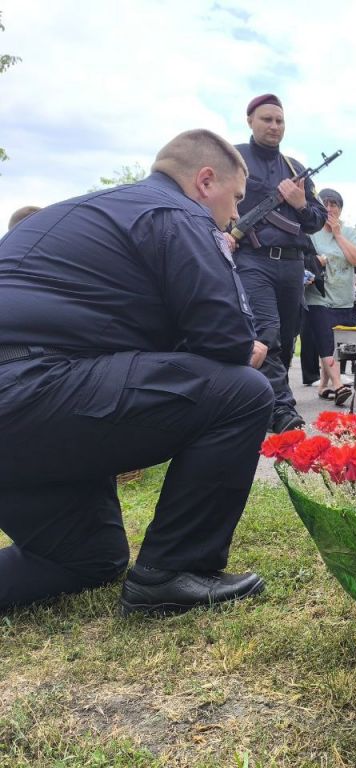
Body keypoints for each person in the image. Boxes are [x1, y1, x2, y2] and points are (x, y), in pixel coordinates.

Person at [0, 129, 274, 616]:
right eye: (235, 198)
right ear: (205, 181)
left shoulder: (77, 212)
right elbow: (227, 338)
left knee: (88, 557)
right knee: (243, 392)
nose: (235, 215)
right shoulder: (177, 213)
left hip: (28, 401)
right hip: (31, 390)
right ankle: (171, 574)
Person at [231, 93, 327, 433]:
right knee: (266, 331)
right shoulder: (233, 159)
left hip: (292, 265)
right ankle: (282, 411)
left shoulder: (295, 168)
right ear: (250, 121)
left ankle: (261, 398)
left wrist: (300, 202)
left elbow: (317, 220)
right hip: (251, 260)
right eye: (266, 119)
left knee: (287, 337)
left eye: (279, 120)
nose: (274, 126)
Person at [306, 188, 356, 402]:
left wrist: (338, 234)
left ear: (340, 209)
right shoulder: (310, 232)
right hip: (318, 296)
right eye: (325, 204)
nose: (329, 209)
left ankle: (323, 386)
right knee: (326, 342)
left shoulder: (348, 232)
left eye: (334, 205)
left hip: (344, 297)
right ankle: (338, 386)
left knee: (337, 345)